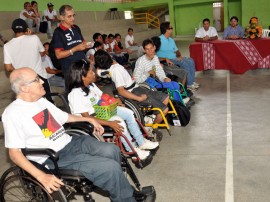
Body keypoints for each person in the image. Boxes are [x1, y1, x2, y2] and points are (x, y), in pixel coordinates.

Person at [2, 67, 149, 202]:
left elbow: (67, 117)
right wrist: (42, 176)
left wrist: (90, 119)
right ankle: (125, 197)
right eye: (36, 79)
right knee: (109, 167)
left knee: (112, 150)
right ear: (24, 88)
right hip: (51, 157)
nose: (42, 81)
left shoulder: (41, 101)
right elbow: (14, 153)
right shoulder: (13, 113)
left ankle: (121, 191)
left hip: (69, 142)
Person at [67, 60, 159, 160]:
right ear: (82, 76)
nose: (94, 73)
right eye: (90, 72)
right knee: (119, 122)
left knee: (129, 113)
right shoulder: (75, 94)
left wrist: (115, 101)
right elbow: (87, 118)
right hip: (90, 120)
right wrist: (109, 123)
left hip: (103, 111)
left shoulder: (91, 86)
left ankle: (141, 142)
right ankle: (132, 150)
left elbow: (103, 96)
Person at [94, 49, 169, 125]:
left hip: (138, 88)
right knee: (164, 110)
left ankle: (152, 117)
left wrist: (98, 65)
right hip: (134, 92)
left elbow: (98, 72)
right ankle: (152, 129)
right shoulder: (116, 71)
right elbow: (121, 91)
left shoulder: (109, 68)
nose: (111, 55)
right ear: (108, 57)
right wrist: (139, 98)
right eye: (108, 54)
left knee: (165, 97)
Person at [4, 18, 53, 102]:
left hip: (23, 81)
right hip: (39, 77)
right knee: (47, 102)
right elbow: (42, 53)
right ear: (26, 29)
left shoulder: (7, 46)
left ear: (13, 30)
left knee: (29, 105)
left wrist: (20, 70)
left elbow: (8, 68)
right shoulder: (34, 38)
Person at [134, 39, 188, 104]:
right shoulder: (141, 61)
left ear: (154, 47)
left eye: (151, 48)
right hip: (148, 85)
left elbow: (159, 71)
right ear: (144, 50)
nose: (150, 51)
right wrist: (147, 73)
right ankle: (179, 103)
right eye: (147, 49)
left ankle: (178, 103)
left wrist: (164, 78)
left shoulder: (155, 58)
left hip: (156, 81)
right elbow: (136, 79)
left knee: (175, 84)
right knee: (171, 85)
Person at [52, 4, 91, 88]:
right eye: (69, 16)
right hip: (71, 70)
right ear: (62, 17)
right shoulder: (58, 32)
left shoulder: (76, 28)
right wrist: (75, 49)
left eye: (73, 15)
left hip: (83, 67)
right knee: (75, 95)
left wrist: (86, 45)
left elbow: (82, 42)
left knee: (87, 93)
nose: (73, 18)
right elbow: (58, 55)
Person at [156, 22, 199, 91]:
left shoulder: (171, 40)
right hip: (167, 60)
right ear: (166, 30)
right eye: (171, 28)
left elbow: (176, 50)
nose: (172, 29)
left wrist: (179, 56)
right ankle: (189, 84)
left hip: (174, 58)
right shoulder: (159, 40)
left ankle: (192, 81)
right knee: (184, 63)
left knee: (190, 60)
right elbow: (154, 53)